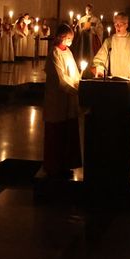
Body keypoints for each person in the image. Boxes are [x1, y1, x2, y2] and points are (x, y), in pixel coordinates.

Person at [43, 23, 82, 179]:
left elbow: (73, 72)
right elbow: (60, 79)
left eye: (72, 38)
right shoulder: (54, 53)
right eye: (68, 38)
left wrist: (80, 82)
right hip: (57, 99)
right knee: (56, 132)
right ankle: (54, 165)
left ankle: (66, 163)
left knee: (67, 131)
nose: (70, 41)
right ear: (61, 36)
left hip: (69, 98)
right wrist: (75, 89)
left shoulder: (68, 52)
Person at [90, 13, 130, 80]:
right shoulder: (109, 41)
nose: (117, 27)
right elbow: (100, 60)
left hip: (129, 81)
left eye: (120, 24)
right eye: (116, 24)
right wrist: (100, 70)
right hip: (113, 82)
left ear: (126, 25)